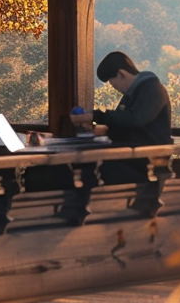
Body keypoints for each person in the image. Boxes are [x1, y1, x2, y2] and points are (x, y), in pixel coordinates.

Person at [71, 51, 172, 202]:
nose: (115, 88)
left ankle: (86, 203)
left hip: (146, 160)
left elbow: (136, 120)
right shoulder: (133, 93)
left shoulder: (152, 89)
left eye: (112, 83)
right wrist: (101, 130)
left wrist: (96, 116)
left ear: (122, 74)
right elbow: (124, 123)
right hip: (133, 154)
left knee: (95, 165)